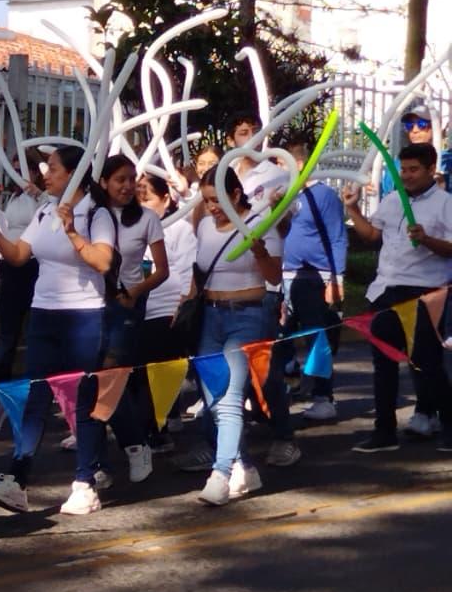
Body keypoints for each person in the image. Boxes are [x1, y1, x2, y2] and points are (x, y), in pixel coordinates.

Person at [0, 145, 116, 516]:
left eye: (52, 168)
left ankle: (86, 483)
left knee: (83, 399)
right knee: (36, 396)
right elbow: (19, 255)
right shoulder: (43, 210)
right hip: (43, 312)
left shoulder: (96, 213)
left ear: (73, 174)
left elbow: (103, 261)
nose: (45, 174)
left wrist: (73, 232)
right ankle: (16, 480)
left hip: (84, 315)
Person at [342, 143, 452, 454]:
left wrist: (427, 239)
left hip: (424, 292)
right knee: (383, 364)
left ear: (431, 169)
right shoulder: (391, 200)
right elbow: (372, 236)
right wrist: (352, 210)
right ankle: (384, 431)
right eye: (403, 169)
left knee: (427, 364)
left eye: (414, 169)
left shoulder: (445, 204)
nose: (406, 175)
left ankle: (448, 427)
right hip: (384, 290)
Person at [193, 166, 282, 506]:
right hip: (210, 317)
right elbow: (199, 272)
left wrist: (259, 251)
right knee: (215, 399)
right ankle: (244, 464)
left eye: (217, 200)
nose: (212, 207)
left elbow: (273, 276)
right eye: (206, 201)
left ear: (235, 194)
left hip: (248, 316)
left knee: (229, 398)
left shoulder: (262, 221)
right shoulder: (203, 225)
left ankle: (220, 473)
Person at [98, 155, 169, 484]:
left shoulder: (147, 219)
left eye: (131, 181)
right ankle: (97, 463)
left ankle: (136, 444)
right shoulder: (92, 215)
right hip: (89, 307)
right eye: (120, 180)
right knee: (89, 381)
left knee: (109, 379)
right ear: (104, 183)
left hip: (125, 307)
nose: (127, 187)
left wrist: (135, 292)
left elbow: (162, 270)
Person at [277, 134, 347, 423]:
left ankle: (323, 396)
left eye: (281, 163)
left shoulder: (324, 196)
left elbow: (338, 238)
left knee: (317, 335)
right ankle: (290, 381)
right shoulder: (284, 194)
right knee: (281, 336)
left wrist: (337, 279)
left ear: (299, 164)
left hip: (313, 277)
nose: (277, 169)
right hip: (283, 274)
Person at [0, 152, 45, 442]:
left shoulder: (43, 199)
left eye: (22, 169)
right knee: (7, 333)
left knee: (32, 332)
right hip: (10, 262)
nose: (18, 174)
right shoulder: (10, 197)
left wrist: (40, 194)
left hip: (33, 265)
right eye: (14, 168)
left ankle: (33, 389)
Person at [137, 174, 198, 440]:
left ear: (165, 199)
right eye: (138, 199)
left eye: (147, 199)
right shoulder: (131, 226)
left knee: (164, 367)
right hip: (139, 308)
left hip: (166, 308)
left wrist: (182, 304)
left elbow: (186, 269)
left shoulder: (179, 229)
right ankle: (154, 422)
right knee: (142, 370)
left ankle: (163, 420)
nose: (142, 205)